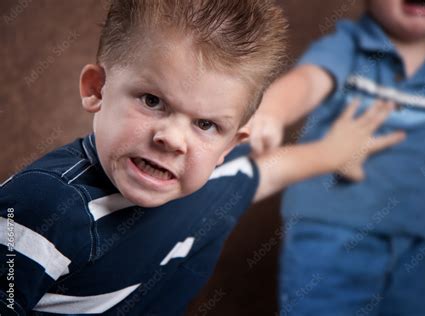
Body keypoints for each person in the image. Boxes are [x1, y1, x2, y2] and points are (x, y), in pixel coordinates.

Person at [0, 0, 402, 315]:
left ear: (230, 143)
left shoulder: (211, 184)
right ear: (97, 89)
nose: (173, 139)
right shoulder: (40, 210)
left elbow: (262, 172)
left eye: (206, 124)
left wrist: (335, 152)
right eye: (152, 100)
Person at [249, 0, 425, 314]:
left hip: (415, 243)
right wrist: (272, 111)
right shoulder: (348, 45)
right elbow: (309, 81)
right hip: (330, 232)